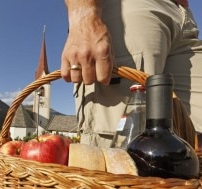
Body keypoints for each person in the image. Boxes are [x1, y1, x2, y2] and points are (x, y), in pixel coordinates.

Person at [61, 0, 202, 147]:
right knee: (121, 147)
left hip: (183, 16)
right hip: (130, 9)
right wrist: (83, 16)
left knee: (191, 143)